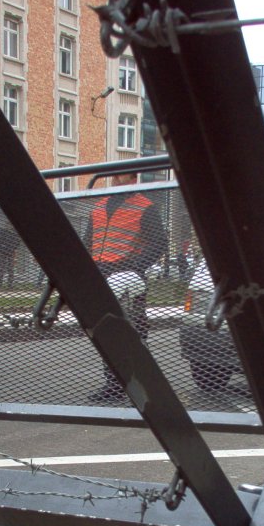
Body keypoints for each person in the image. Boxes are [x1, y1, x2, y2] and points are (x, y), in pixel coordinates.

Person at [84, 172, 168, 402]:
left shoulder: (145, 207)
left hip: (128, 277)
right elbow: (87, 242)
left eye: (124, 176)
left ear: (133, 179)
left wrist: (135, 267)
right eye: (117, 176)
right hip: (101, 274)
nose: (118, 179)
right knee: (106, 329)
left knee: (135, 330)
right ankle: (115, 383)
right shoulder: (99, 207)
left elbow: (159, 242)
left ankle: (143, 381)